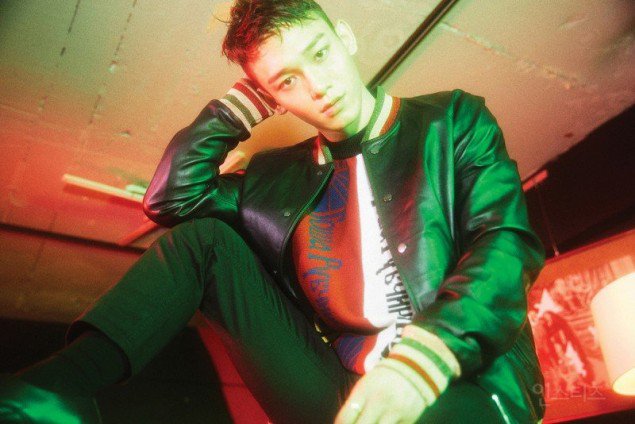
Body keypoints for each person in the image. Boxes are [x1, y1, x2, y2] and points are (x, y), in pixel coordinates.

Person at [0, 0, 547, 422]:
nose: (318, 86)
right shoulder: (275, 181)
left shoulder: (451, 121)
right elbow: (172, 199)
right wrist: (245, 102)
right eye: (288, 81)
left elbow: (506, 242)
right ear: (271, 99)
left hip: (463, 376)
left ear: (345, 38)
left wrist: (420, 362)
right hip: (338, 389)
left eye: (319, 53)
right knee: (204, 242)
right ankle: (55, 388)